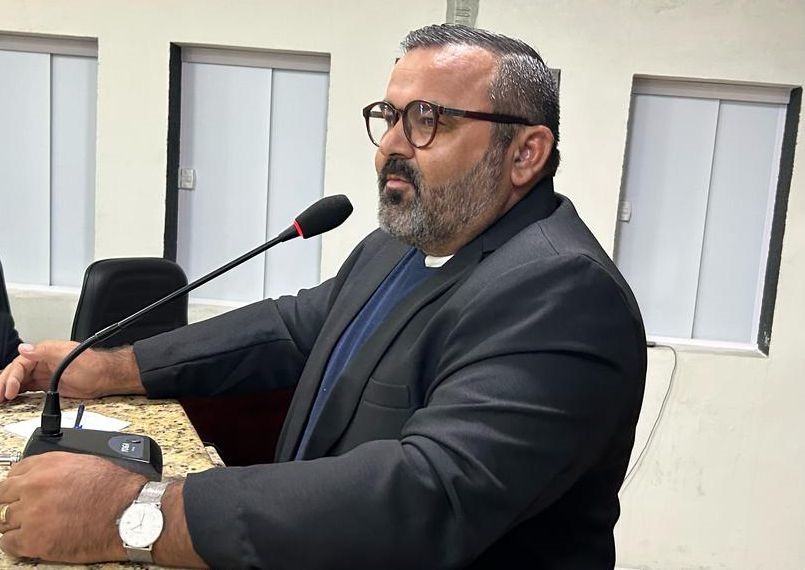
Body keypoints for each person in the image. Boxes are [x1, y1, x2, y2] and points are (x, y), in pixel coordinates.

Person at [0, 24, 646, 569]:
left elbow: (429, 493)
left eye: (428, 120)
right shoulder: (401, 244)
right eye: (389, 117)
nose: (391, 147)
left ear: (525, 153)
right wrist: (110, 368)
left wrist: (138, 513)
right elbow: (292, 329)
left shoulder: (562, 291)